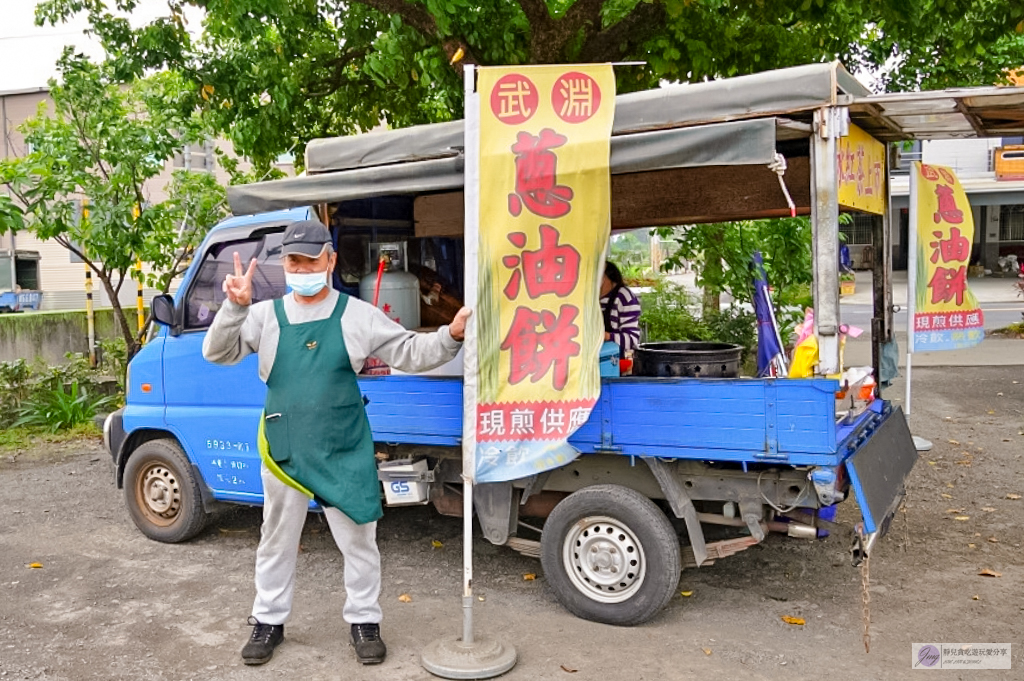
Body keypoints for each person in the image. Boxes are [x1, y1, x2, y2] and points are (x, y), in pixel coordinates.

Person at [202, 219, 470, 667]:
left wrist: (451, 335)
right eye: (292, 260)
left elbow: (409, 351)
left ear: (329, 261)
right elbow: (217, 353)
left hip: (343, 445)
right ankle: (268, 620)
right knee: (275, 539)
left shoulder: (357, 315)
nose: (301, 267)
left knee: (360, 537)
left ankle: (364, 620)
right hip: (284, 446)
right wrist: (234, 307)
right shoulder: (264, 316)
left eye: (310, 259)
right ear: (283, 264)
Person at [600, 261, 641, 357]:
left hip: (617, 361)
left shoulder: (624, 297)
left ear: (609, 279)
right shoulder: (590, 299)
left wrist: (606, 336)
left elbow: (632, 340)